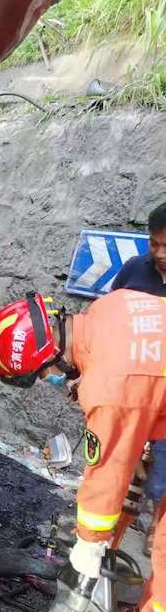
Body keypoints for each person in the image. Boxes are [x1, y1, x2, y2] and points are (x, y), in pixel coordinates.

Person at [0, 289, 166, 612]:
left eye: (43, 374)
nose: (50, 381)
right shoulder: (109, 308)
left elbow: (106, 474)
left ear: (50, 359)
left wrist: (89, 543)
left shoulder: (109, 386)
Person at [112, 201, 166, 554]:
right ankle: (112, 528)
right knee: (122, 464)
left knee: (162, 471)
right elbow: (109, 317)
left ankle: (157, 528)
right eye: (154, 244)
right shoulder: (135, 271)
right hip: (132, 390)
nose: (160, 253)